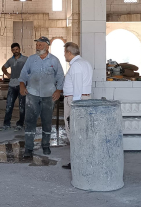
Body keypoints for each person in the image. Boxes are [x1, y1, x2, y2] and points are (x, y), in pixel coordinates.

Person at [19, 37, 64, 158]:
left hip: (49, 95)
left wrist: (59, 90)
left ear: (47, 46)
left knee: (47, 121)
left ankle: (45, 145)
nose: (37, 47)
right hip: (32, 94)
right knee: (30, 121)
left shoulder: (54, 60)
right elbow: (23, 74)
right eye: (37, 44)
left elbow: (60, 76)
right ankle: (29, 148)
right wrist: (22, 86)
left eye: (40, 45)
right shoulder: (31, 59)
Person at [61, 42, 93, 170]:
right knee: (81, 131)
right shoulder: (85, 63)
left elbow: (77, 88)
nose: (64, 55)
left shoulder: (76, 66)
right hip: (82, 99)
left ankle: (77, 160)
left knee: (73, 130)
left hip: (74, 101)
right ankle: (81, 159)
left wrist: (75, 107)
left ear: (69, 53)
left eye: (65, 53)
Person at [0, 43, 28, 132]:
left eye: (17, 49)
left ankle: (20, 124)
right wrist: (7, 74)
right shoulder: (10, 60)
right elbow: (3, 67)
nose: (15, 51)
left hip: (22, 85)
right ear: (11, 50)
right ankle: (6, 124)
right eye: (13, 50)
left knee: (22, 106)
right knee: (9, 105)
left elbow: (30, 69)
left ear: (19, 49)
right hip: (12, 85)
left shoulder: (25, 59)